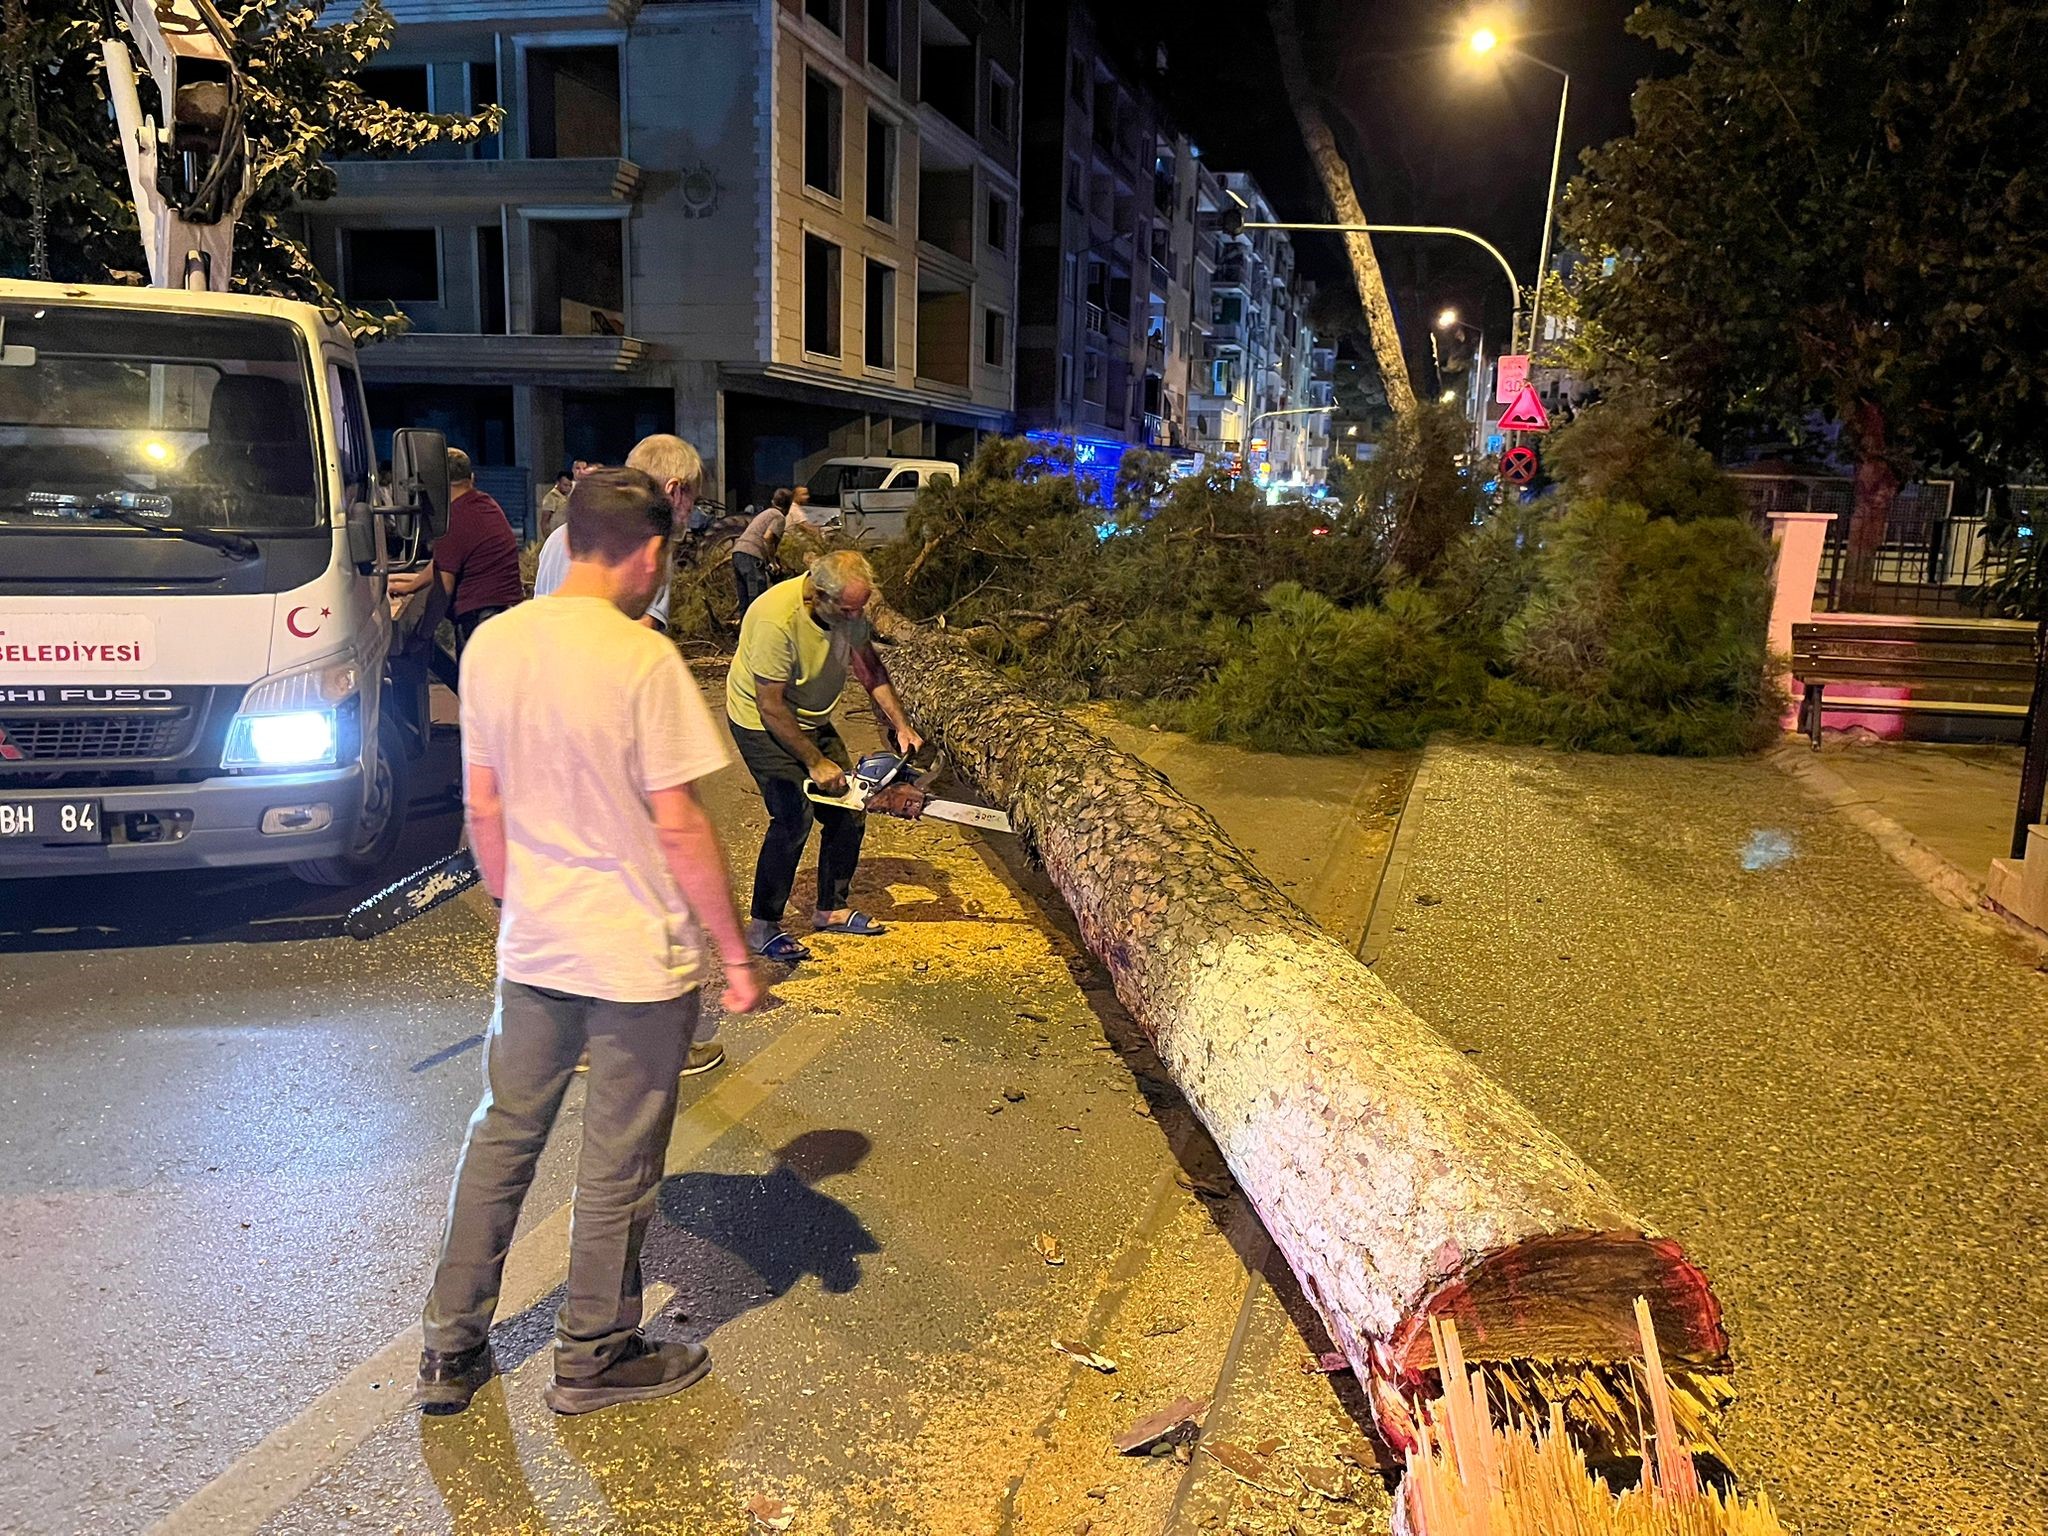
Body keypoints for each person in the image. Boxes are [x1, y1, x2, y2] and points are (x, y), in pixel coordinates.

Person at [416, 465, 764, 1418]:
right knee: (616, 1163)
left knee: (501, 1139)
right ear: (648, 553)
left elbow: (481, 803)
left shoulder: (492, 644)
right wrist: (735, 957)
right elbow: (683, 825)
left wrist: (509, 899)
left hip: (535, 950)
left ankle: (450, 1348)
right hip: (634, 964)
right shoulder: (641, 659)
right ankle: (594, 1355)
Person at [726, 550, 924, 963]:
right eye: (849, 610)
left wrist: (900, 725)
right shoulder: (774, 619)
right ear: (819, 595)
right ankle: (763, 925)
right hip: (762, 720)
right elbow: (771, 706)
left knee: (851, 807)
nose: (856, 619)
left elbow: (870, 668)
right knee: (792, 813)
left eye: (861, 609)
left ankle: (830, 907)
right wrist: (815, 762)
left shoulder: (848, 613)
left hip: (811, 715)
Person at [534, 434, 704, 633]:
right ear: (674, 491)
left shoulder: (560, 536)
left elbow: (539, 618)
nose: (690, 512)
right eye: (694, 501)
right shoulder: (650, 550)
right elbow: (640, 634)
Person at [389, 447, 525, 681]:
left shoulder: (453, 518)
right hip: (505, 615)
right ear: (471, 478)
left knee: (479, 700)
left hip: (481, 621)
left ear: (437, 484)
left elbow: (443, 588)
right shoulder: (484, 504)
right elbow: (447, 561)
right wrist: (412, 586)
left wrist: (422, 634)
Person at [729, 493, 788, 616]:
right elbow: (768, 537)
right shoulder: (779, 517)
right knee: (757, 599)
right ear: (788, 506)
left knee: (744, 600)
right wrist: (773, 562)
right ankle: (756, 631)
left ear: (773, 501)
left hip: (738, 552)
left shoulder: (765, 513)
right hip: (751, 555)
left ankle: (744, 631)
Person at [537, 468, 575, 544]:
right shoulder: (551, 498)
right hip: (556, 539)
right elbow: (544, 522)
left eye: (570, 486)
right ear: (558, 483)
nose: (568, 488)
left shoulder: (567, 497)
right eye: (565, 485)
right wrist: (550, 540)